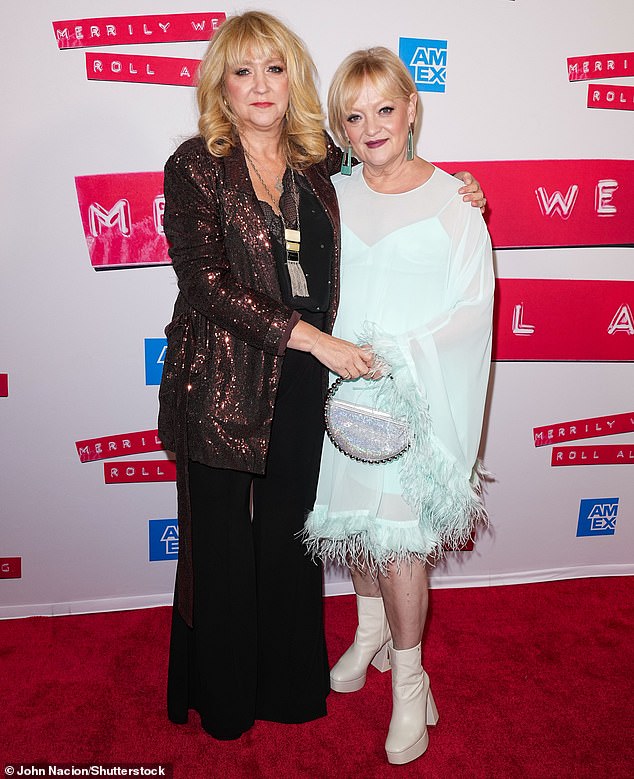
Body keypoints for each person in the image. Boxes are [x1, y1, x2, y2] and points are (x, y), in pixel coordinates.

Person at [158, 12, 486, 741]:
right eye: (243, 71)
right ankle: (226, 699)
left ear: (293, 77)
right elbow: (206, 283)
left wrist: (465, 188)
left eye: (274, 68)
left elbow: (395, 174)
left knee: (284, 541)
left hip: (307, 387)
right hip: (222, 383)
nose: (260, 86)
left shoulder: (318, 165)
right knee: (220, 546)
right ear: (221, 85)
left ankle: (288, 684)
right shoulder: (195, 164)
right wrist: (317, 341)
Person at [303, 47, 494, 766]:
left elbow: (475, 312)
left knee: (402, 543)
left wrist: (399, 358)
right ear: (341, 130)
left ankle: (410, 682)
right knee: (355, 524)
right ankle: (368, 630)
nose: (371, 126)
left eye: (385, 108)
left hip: (414, 401)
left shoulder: (455, 201)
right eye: (354, 116)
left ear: (412, 108)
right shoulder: (332, 194)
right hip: (342, 398)